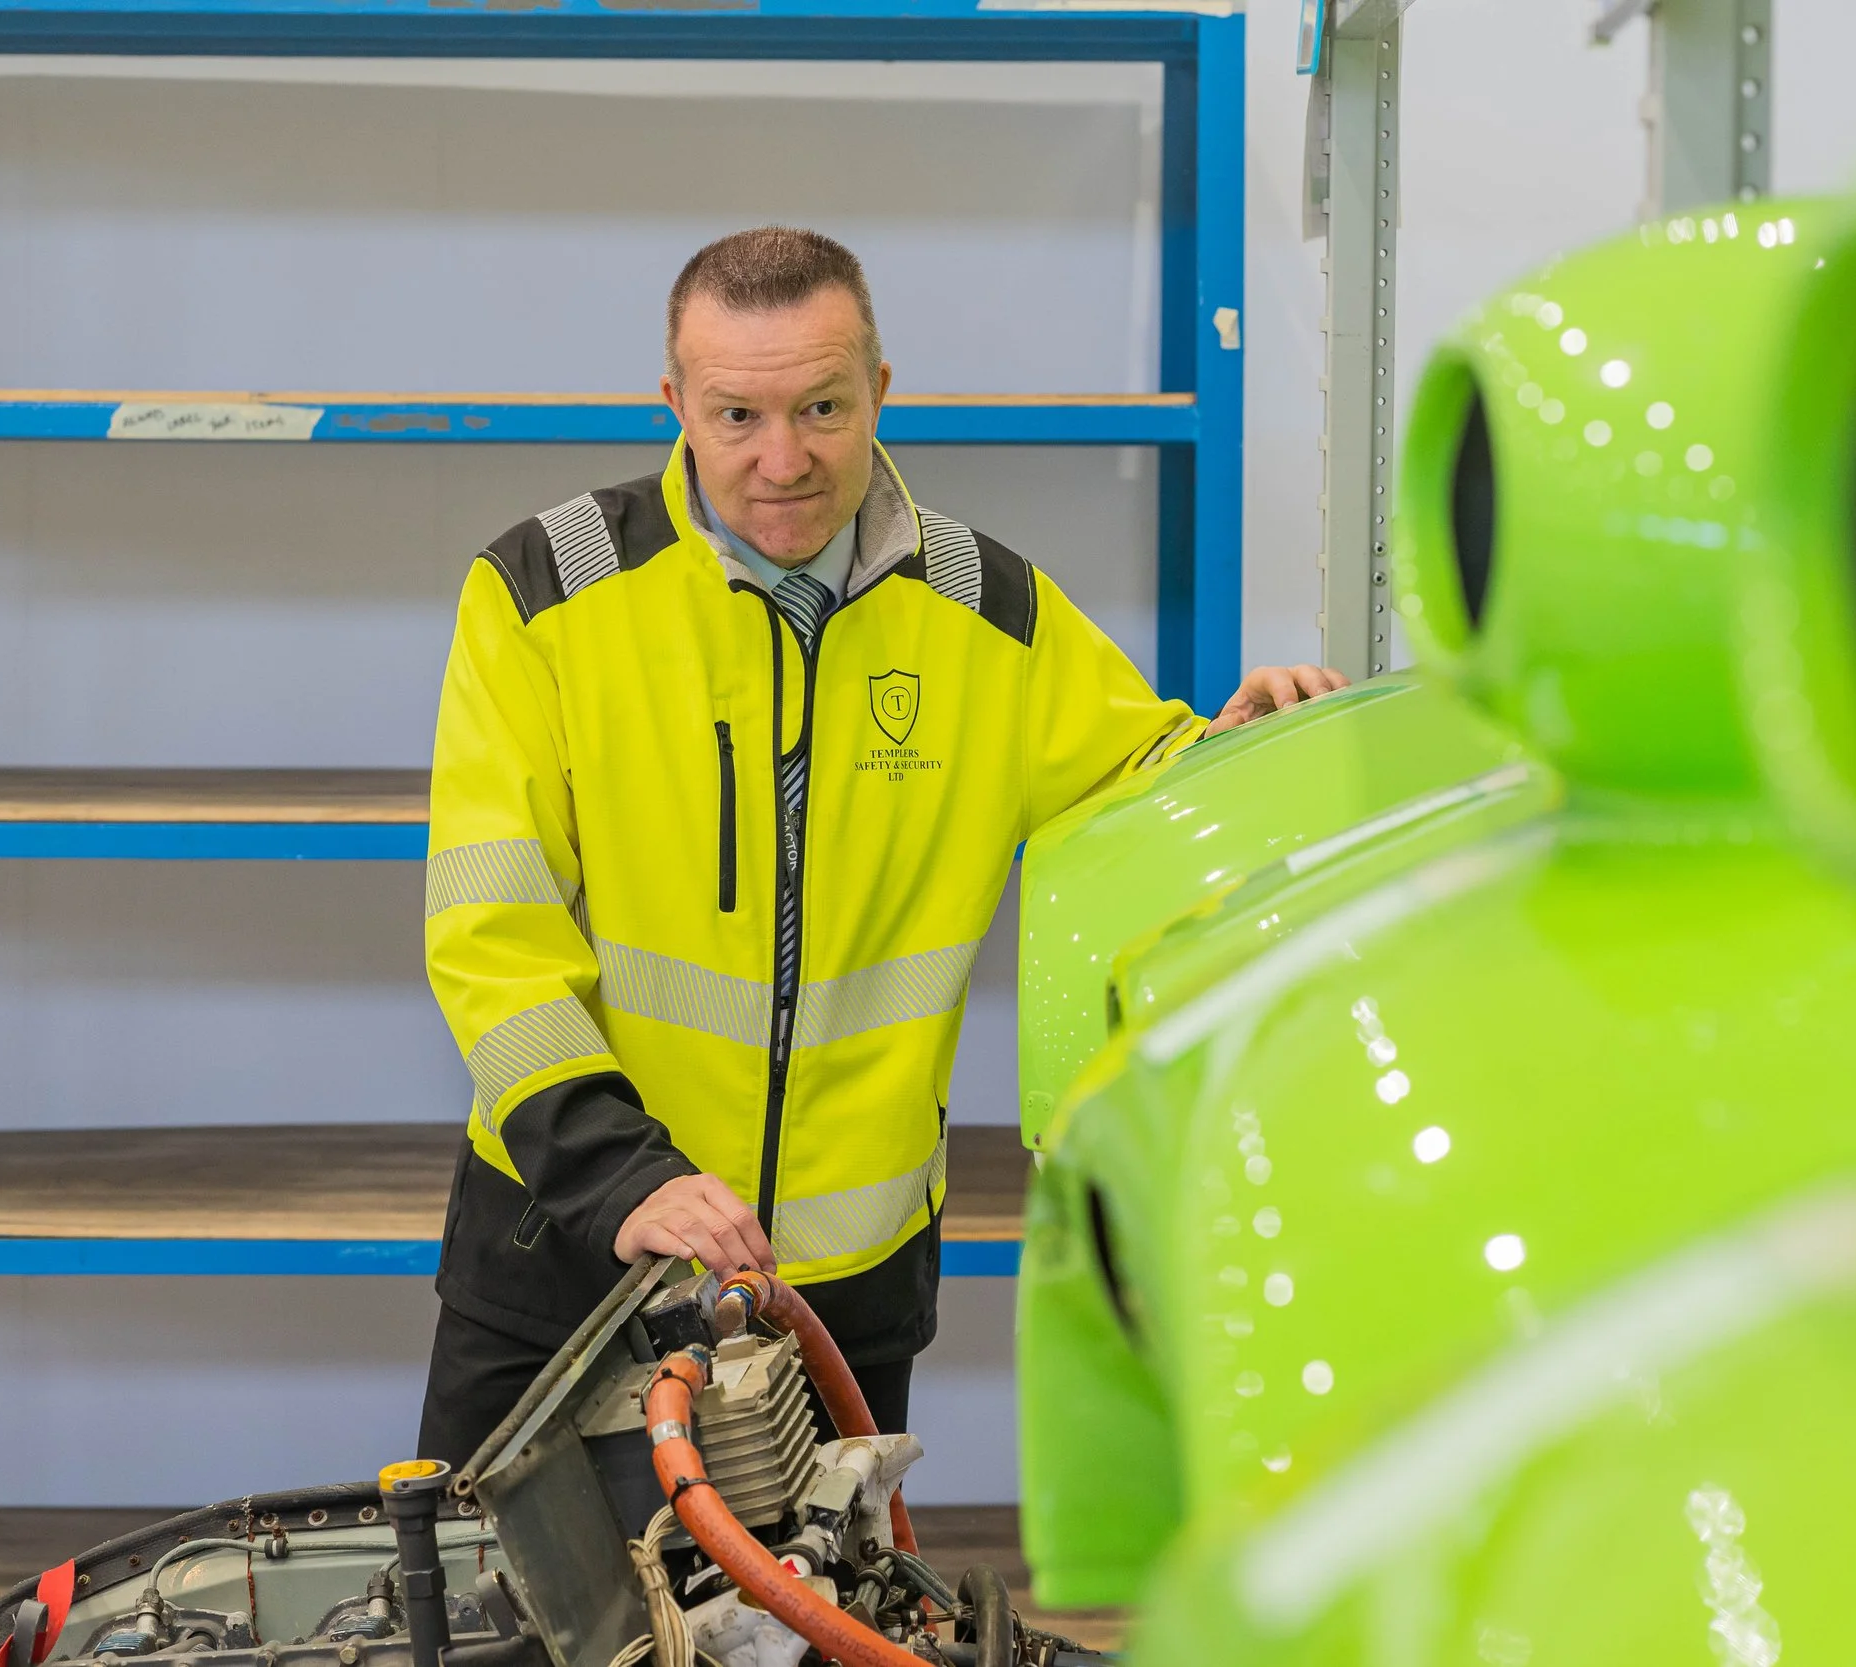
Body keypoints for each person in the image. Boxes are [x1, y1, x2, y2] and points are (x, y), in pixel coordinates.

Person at [416, 225, 1344, 1463]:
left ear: (880, 393)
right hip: (573, 1248)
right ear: (675, 404)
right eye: (736, 415)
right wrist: (620, 1177)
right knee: (500, 1634)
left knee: (803, 1636)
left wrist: (1251, 745)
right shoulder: (545, 591)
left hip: (839, 1289)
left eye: (822, 409)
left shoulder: (988, 611)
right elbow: (492, 931)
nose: (782, 459)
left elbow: (1139, 785)